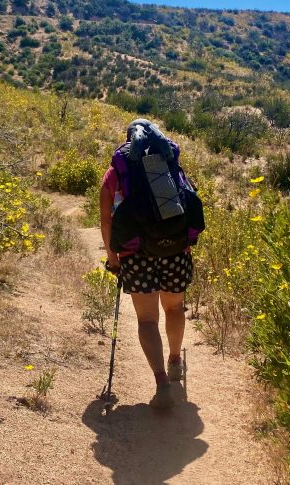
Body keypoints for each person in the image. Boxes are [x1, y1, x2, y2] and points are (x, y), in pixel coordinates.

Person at [99, 122, 194, 410]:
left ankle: (162, 381)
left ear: (128, 142)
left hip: (136, 256)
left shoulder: (116, 173)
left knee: (147, 320)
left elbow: (106, 220)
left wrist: (113, 259)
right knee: (174, 308)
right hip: (175, 251)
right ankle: (175, 359)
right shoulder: (170, 167)